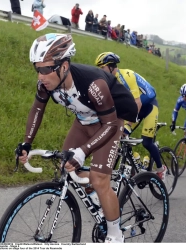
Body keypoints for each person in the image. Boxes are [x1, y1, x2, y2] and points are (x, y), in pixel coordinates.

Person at [16, 33, 138, 243]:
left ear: (64, 67)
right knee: (67, 165)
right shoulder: (45, 85)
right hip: (84, 121)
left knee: (100, 180)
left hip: (110, 121)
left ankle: (116, 235)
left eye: (46, 69)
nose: (40, 76)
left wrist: (82, 152)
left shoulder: (93, 84)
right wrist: (27, 142)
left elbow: (109, 124)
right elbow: (37, 109)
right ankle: (96, 200)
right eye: (37, 68)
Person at [94, 52, 167, 181]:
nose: (100, 72)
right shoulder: (109, 82)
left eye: (102, 68)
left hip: (149, 105)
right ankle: (135, 160)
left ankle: (161, 169)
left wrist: (128, 124)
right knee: (119, 135)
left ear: (111, 67)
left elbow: (137, 103)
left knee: (146, 142)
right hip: (135, 107)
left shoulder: (126, 76)